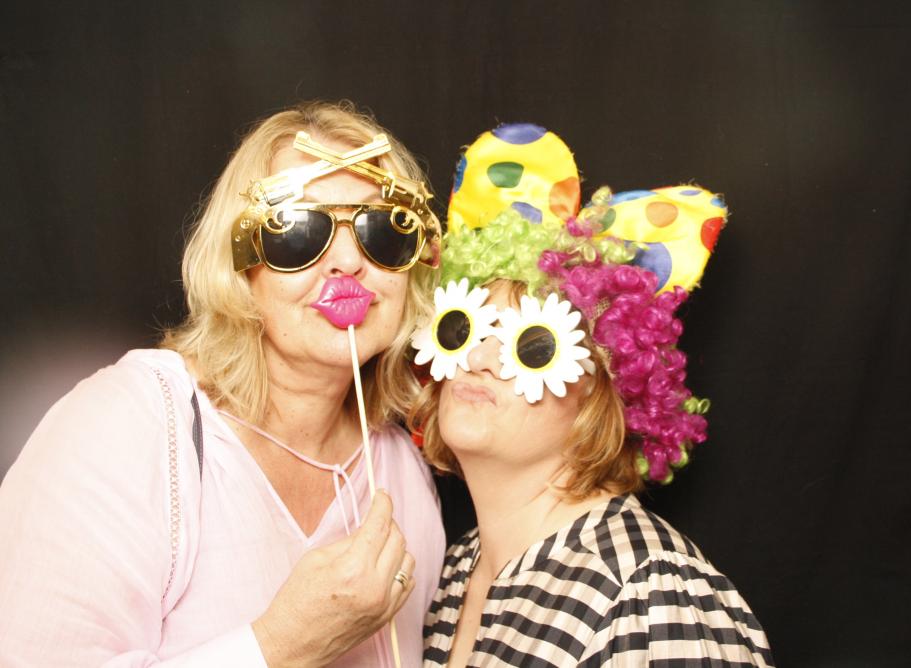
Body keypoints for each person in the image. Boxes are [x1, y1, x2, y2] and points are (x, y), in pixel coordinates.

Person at [0, 101, 446, 666]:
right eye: (297, 230)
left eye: (382, 230)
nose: (347, 263)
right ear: (238, 265)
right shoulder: (126, 428)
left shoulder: (402, 470)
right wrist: (280, 645)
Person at [409, 124, 774, 666]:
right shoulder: (455, 572)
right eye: (464, 327)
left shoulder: (652, 599)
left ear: (601, 393)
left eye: (532, 345)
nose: (478, 358)